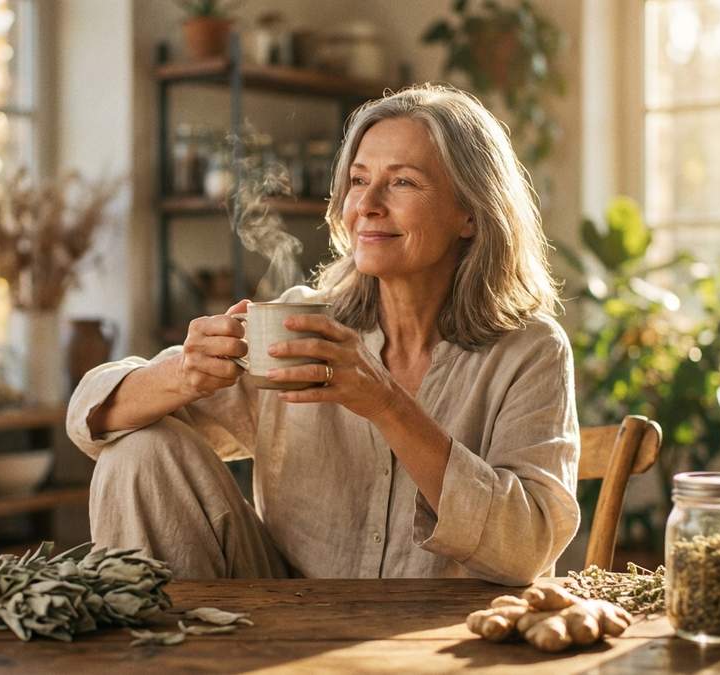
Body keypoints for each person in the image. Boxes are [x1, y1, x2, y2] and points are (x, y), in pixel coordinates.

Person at [66, 84, 580, 585]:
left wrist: (386, 404)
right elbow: (87, 417)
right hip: (283, 621)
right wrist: (185, 373)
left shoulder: (530, 349)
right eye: (359, 180)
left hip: (443, 642)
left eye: (402, 182)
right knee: (139, 451)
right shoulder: (303, 326)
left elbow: (528, 550)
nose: (368, 205)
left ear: (470, 213)